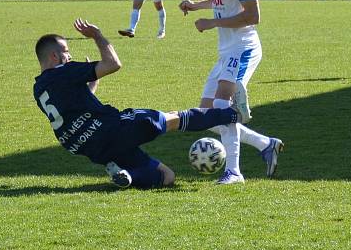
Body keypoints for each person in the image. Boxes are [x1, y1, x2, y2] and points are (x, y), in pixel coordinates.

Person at [34, 19, 248, 189]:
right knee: (173, 118)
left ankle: (127, 174)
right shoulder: (65, 72)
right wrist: (97, 35)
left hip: (88, 147)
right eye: (66, 51)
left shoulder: (39, 88)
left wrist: (93, 83)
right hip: (110, 130)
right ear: (54, 56)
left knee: (166, 176)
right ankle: (233, 114)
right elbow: (113, 64)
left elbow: (75, 106)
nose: (70, 56)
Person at [178, 0, 283, 185]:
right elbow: (221, 2)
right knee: (206, 112)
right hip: (226, 51)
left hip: (243, 46)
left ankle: (234, 172)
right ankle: (265, 144)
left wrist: (211, 23)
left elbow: (252, 15)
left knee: (222, 105)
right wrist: (195, 6)